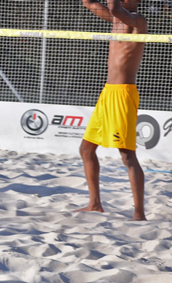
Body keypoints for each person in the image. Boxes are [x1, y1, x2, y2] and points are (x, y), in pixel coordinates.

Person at [79, 0, 147, 221]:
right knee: (86, 149)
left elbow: (116, 8)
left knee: (127, 156)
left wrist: (115, 5)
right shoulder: (115, 20)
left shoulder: (138, 21)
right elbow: (88, 3)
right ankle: (95, 204)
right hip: (107, 92)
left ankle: (139, 213)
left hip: (123, 95)